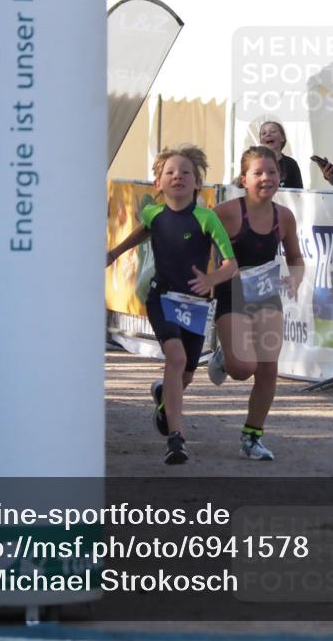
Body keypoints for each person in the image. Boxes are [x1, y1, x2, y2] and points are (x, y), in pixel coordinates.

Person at [106, 144, 238, 464]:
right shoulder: (153, 212)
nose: (177, 176)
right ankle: (176, 439)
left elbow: (230, 264)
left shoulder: (206, 218)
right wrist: (113, 252)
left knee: (186, 374)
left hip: (195, 304)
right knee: (175, 358)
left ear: (198, 184)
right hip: (161, 298)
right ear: (158, 184)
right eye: (170, 172)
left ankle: (165, 399)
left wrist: (211, 280)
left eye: (185, 172)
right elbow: (143, 230)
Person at [207, 146, 304, 460]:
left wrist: (295, 278)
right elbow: (198, 244)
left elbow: (295, 257)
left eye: (272, 172)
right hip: (232, 291)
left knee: (267, 367)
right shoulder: (226, 212)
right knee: (241, 369)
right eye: (258, 173)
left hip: (265, 294)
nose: (266, 178)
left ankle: (252, 436)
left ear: (281, 176)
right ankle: (226, 355)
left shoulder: (284, 217)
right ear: (243, 178)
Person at [257, 120, 304, 189]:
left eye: (273, 131)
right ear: (261, 141)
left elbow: (299, 193)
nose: (268, 134)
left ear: (282, 138)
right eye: (264, 133)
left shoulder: (291, 164)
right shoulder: (254, 163)